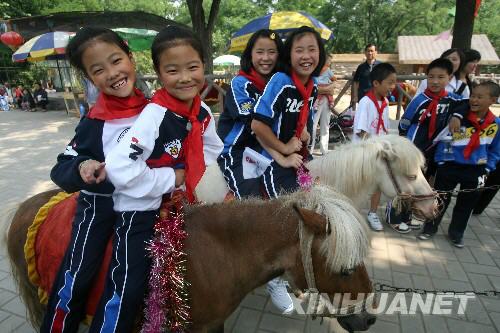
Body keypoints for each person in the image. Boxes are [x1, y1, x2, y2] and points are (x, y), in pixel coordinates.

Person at [104, 25, 223, 329]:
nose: (185, 77)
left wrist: (188, 178)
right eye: (173, 70)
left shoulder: (202, 112)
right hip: (139, 206)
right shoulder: (154, 116)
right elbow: (120, 168)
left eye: (192, 67)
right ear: (158, 73)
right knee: (129, 284)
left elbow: (212, 146)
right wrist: (173, 178)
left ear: (203, 66)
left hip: (180, 199)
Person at [40, 27, 148, 333]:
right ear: (89, 78)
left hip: (140, 209)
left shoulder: (157, 111)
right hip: (98, 207)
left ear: (130, 57)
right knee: (76, 275)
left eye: (116, 61)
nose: (112, 73)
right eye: (99, 70)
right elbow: (61, 168)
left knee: (127, 283)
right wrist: (82, 166)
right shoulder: (93, 122)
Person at [418, 81, 500, 247]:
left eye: (479, 97)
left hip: (477, 170)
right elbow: (445, 140)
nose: (473, 100)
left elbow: (495, 149)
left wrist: (488, 167)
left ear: (493, 100)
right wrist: (441, 161)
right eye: (472, 96)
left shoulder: (495, 124)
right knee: (440, 199)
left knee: (466, 204)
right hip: (450, 166)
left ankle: (456, 233)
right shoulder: (458, 119)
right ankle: (429, 228)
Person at [392, 58, 467, 230]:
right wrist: (405, 148)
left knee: (424, 183)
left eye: (441, 77)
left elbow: (464, 105)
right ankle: (397, 216)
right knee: (407, 183)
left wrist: (457, 116)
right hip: (415, 149)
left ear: (449, 78)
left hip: (434, 150)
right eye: (431, 76)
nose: (435, 81)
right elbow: (405, 122)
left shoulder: (452, 100)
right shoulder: (419, 100)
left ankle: (414, 213)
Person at [252, 25, 325, 198]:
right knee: (288, 208)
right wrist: (284, 149)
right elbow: (257, 125)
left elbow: (304, 114)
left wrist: (304, 131)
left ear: (320, 54)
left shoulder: (313, 85)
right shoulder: (281, 81)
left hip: (297, 154)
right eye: (299, 50)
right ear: (289, 55)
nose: (306, 56)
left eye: (312, 50)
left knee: (321, 192)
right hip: (271, 155)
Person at [217, 29, 286, 199]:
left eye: (272, 52)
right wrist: (283, 151)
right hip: (240, 150)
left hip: (268, 148)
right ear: (250, 54)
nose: (266, 58)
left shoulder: (281, 84)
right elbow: (255, 126)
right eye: (260, 52)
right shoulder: (240, 84)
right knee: (253, 201)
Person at [352, 63, 399, 232]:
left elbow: (383, 127)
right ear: (376, 83)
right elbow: (361, 132)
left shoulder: (385, 102)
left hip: (378, 151)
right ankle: (353, 213)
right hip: (363, 153)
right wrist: (375, 147)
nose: (392, 87)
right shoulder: (365, 102)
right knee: (359, 184)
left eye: (394, 82)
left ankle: (372, 213)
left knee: (378, 184)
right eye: (389, 82)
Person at [310, 54, 336, 154]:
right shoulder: (314, 70)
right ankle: (310, 148)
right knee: (313, 124)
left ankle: (324, 149)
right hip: (317, 99)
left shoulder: (328, 71)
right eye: (328, 61)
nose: (329, 63)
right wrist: (328, 88)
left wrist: (331, 86)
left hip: (325, 99)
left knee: (325, 125)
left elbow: (333, 84)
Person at [351, 44, 381, 110]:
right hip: (363, 97)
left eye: (372, 51)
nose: (370, 53)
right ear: (365, 53)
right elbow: (356, 82)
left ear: (376, 52)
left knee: (376, 118)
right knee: (364, 117)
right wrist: (355, 96)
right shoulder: (361, 67)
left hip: (377, 97)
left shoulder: (381, 66)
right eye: (368, 51)